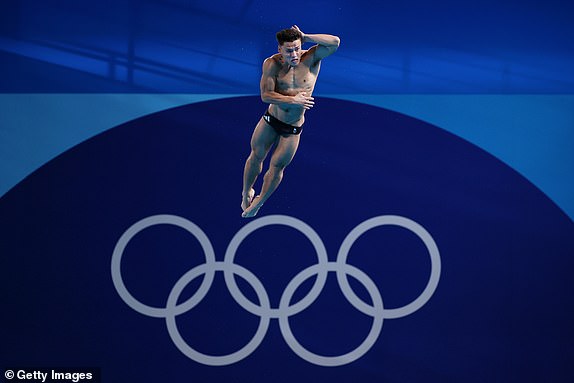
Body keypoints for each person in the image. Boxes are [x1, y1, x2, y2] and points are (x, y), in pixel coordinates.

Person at [241, 25, 340, 218]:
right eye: (289, 50)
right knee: (256, 156)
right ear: (280, 49)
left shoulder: (311, 58)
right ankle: (246, 192)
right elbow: (265, 95)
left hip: (293, 127)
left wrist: (305, 36)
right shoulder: (272, 64)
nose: (294, 53)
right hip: (271, 120)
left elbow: (335, 42)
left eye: (296, 48)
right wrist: (292, 99)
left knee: (277, 166)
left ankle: (259, 202)